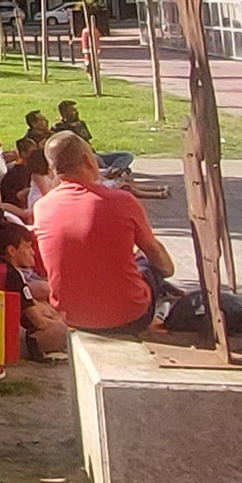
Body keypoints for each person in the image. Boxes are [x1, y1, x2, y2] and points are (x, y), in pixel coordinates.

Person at [33, 137, 171, 339]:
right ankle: (160, 311)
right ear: (88, 161)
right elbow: (160, 259)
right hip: (130, 317)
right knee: (147, 262)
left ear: (52, 168)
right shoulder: (122, 201)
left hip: (71, 315)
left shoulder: (42, 208)